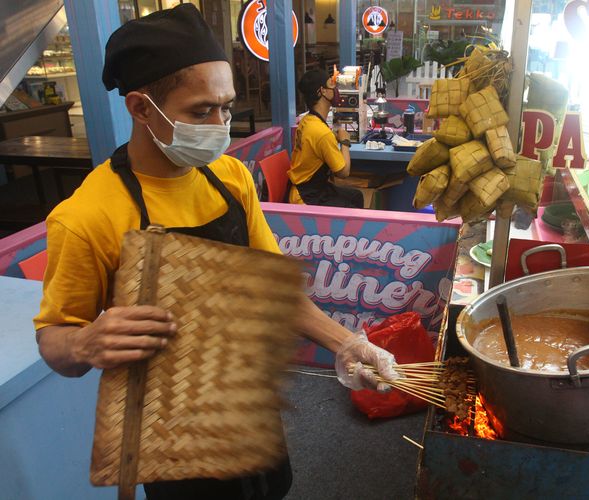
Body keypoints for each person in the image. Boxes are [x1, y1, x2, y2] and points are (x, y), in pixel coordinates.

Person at [33, 5, 397, 499]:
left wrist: (347, 343)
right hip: (173, 437)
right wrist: (81, 344)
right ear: (141, 108)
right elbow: (55, 336)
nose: (220, 124)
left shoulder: (230, 179)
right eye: (201, 111)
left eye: (225, 107)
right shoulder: (87, 217)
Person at [287, 70, 364, 208]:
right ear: (322, 91)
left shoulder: (307, 121)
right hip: (306, 196)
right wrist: (345, 142)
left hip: (309, 188)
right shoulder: (321, 132)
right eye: (331, 84)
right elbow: (344, 172)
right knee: (350, 205)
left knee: (355, 196)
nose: (335, 89)